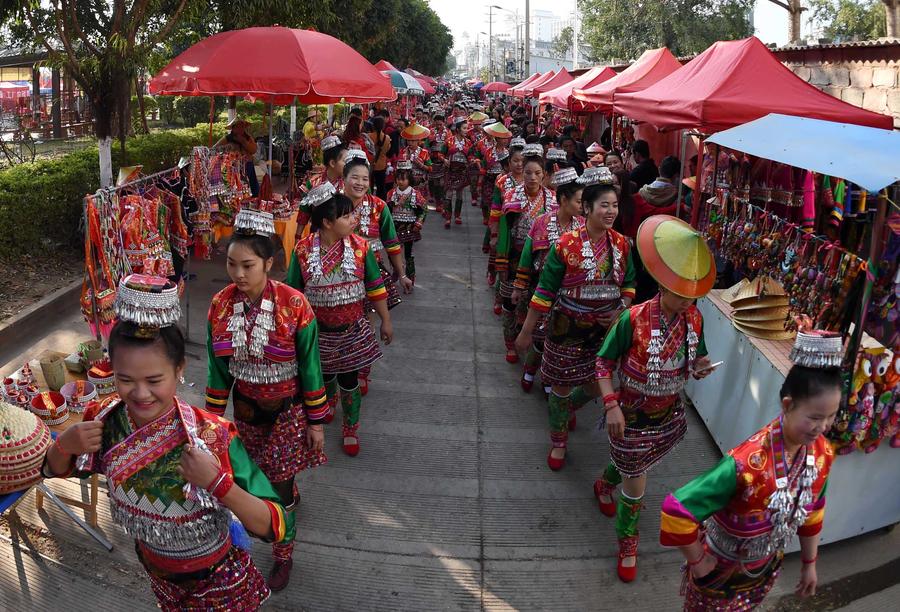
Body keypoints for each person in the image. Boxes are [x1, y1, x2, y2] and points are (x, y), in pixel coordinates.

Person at [45, 274, 287, 610]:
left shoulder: (212, 435)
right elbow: (55, 470)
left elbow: (275, 524)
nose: (140, 393)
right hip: (158, 576)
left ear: (179, 369)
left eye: (154, 379)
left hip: (219, 582)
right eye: (125, 379)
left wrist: (217, 483)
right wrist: (64, 445)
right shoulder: (105, 421)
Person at [661, 326, 841, 610]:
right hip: (717, 573)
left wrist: (809, 564)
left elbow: (813, 512)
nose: (823, 427)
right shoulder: (745, 464)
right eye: (815, 417)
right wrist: (697, 560)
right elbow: (676, 511)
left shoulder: (822, 455)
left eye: (831, 416)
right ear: (788, 405)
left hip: (764, 570)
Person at [205, 207, 326, 589]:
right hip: (245, 413)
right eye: (231, 264)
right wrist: (210, 424)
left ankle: (283, 553)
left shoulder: (294, 305)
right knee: (251, 484)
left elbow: (310, 365)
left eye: (248, 265)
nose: (238, 274)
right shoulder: (220, 306)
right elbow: (217, 369)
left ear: (269, 263)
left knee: (278, 490)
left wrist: (317, 421)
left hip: (288, 413)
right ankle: (283, 502)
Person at [594, 214, 717, 583]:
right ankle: (627, 541)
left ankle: (604, 482)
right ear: (662, 285)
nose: (687, 303)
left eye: (693, 296)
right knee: (638, 480)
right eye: (682, 295)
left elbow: (697, 358)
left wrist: (700, 367)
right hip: (629, 415)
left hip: (666, 416)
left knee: (637, 469)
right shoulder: (630, 320)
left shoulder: (694, 320)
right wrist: (611, 404)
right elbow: (602, 362)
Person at [516, 170, 636, 470]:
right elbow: (544, 291)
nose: (610, 212)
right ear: (587, 209)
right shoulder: (565, 245)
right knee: (561, 387)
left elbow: (630, 284)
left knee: (597, 386)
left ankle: (568, 407)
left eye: (614, 205)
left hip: (604, 332)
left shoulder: (622, 245)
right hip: (567, 327)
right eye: (604, 205)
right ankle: (558, 441)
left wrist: (621, 306)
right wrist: (527, 331)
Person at [287, 186, 393, 457]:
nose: (353, 221)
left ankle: (350, 427)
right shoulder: (302, 250)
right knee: (323, 375)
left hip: (352, 330)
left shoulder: (361, 247)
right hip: (317, 332)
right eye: (346, 217)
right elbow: (293, 294)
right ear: (327, 222)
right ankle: (328, 402)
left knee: (349, 379)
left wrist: (385, 320)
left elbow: (375, 285)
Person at [511, 167, 585, 395]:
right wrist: (519, 286)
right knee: (540, 336)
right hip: (542, 288)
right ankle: (531, 369)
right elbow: (527, 256)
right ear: (563, 199)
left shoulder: (583, 226)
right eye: (579, 201)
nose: (582, 207)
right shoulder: (541, 222)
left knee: (559, 340)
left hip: (569, 295)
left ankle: (549, 378)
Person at [495, 144, 557, 364]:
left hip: (540, 259)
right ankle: (510, 342)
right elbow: (504, 231)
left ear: (545, 175)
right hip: (514, 255)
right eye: (528, 173)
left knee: (534, 300)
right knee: (509, 301)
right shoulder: (512, 196)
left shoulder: (552, 200)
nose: (532, 177)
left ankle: (527, 334)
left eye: (537, 173)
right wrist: (500, 261)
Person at [386, 161, 427, 283]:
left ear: (409, 179)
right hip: (395, 226)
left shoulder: (415, 194)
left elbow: (424, 210)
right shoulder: (391, 193)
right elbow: (386, 210)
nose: (400, 182)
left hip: (409, 227)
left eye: (403, 179)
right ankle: (396, 271)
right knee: (392, 251)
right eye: (398, 179)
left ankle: (410, 275)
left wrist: (419, 223)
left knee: (409, 254)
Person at [215, 116, 259, 197]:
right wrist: (227, 149)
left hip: (248, 165)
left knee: (251, 188)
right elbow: (215, 148)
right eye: (238, 126)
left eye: (242, 126)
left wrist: (244, 142)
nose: (240, 128)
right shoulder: (227, 138)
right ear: (233, 128)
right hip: (233, 168)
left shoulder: (248, 138)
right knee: (236, 188)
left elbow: (254, 150)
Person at [444, 116, 473, 228]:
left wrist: (472, 161)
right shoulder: (449, 141)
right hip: (450, 170)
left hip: (462, 171)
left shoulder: (469, 143)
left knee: (460, 194)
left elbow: (471, 155)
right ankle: (448, 217)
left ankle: (457, 215)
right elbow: (441, 154)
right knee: (449, 194)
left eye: (467, 128)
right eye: (464, 128)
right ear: (458, 129)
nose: (466, 130)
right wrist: (444, 159)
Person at [427, 113, 449, 214]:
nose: (439, 126)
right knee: (435, 182)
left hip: (443, 160)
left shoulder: (448, 133)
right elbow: (427, 146)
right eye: (437, 124)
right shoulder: (430, 132)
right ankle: (438, 203)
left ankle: (443, 202)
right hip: (433, 160)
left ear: (443, 123)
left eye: (440, 124)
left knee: (443, 183)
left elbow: (450, 146)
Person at [366, 116, 392, 199]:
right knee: (381, 188)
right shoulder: (387, 138)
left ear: (373, 125)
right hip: (381, 165)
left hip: (370, 165)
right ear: (383, 126)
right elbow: (388, 149)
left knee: (369, 186)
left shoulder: (368, 136)